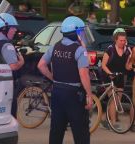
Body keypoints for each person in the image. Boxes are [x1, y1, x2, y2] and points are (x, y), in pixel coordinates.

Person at [37, 16, 93, 144]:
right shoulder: (79, 50)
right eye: (81, 32)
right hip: (74, 95)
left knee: (56, 130)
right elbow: (84, 75)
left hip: (57, 92)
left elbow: (41, 65)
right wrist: (89, 94)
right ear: (77, 33)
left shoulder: (54, 47)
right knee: (81, 131)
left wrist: (53, 78)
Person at [100, 28, 135, 133]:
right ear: (116, 40)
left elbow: (127, 66)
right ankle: (113, 123)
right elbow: (103, 65)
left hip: (120, 76)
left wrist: (131, 66)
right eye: (121, 40)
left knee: (118, 101)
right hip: (109, 76)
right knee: (113, 100)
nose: (123, 42)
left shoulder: (127, 50)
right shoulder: (110, 49)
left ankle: (106, 120)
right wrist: (110, 73)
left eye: (124, 40)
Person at [0, 13, 25, 118]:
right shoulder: (7, 45)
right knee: (7, 118)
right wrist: (21, 61)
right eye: (13, 28)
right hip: (5, 89)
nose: (15, 30)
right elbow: (12, 66)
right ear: (4, 29)